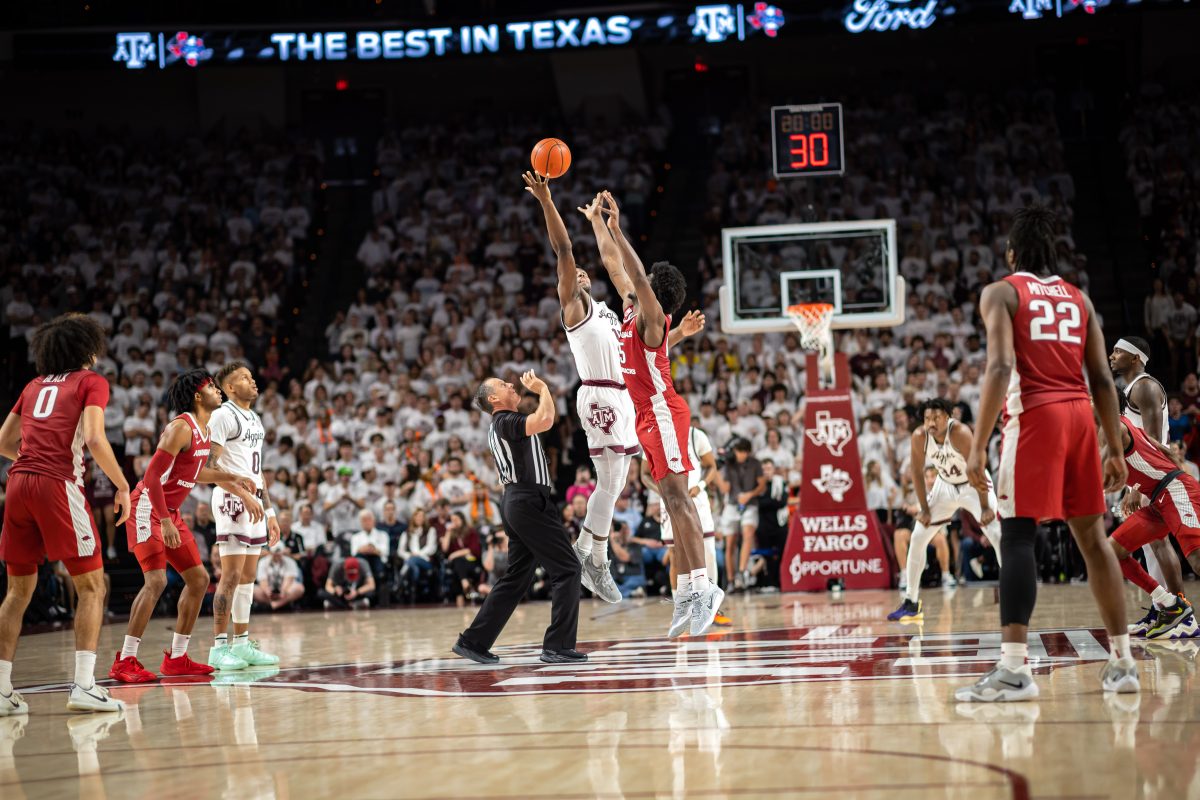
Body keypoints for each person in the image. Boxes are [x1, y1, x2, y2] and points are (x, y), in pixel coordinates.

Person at [960, 205, 1137, 702]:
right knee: (1093, 538)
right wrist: (1114, 447)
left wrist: (977, 446)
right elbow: (1102, 378)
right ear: (1053, 255)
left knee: (1017, 532)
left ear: (1011, 253)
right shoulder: (1080, 299)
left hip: (1036, 417)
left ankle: (1014, 670)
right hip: (1082, 416)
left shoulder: (1001, 291)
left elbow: (999, 368)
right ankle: (1122, 663)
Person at [600, 190, 724, 637]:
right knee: (671, 504)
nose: (637, 282)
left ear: (654, 290)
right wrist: (598, 222)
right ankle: (689, 589)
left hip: (663, 412)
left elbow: (630, 268)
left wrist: (617, 227)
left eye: (646, 281)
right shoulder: (636, 311)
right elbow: (615, 268)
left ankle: (705, 586)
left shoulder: (652, 314)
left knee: (680, 499)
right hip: (646, 416)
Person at [0, 314, 130, 714]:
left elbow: (5, 441)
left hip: (17, 484)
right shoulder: (91, 381)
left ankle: (2, 691)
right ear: (87, 349)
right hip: (57, 485)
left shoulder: (33, 384)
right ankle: (84, 686)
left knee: (17, 594)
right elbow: (93, 437)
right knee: (92, 587)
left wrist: (32, 463)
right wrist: (123, 485)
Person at [110, 370, 258, 683]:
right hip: (147, 507)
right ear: (196, 395)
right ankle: (125, 659)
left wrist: (231, 478)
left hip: (169, 510)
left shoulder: (204, 429)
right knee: (156, 582)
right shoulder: (181, 426)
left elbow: (194, 473)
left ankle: (177, 657)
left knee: (199, 579)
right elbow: (151, 477)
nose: (218, 391)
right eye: (211, 387)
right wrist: (164, 520)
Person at [453, 371, 584, 665]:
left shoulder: (502, 425)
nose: (511, 384)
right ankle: (557, 646)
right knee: (567, 569)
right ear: (494, 399)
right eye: (503, 385)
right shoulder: (506, 421)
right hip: (526, 500)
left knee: (517, 577)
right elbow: (546, 420)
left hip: (515, 502)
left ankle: (473, 641)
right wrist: (543, 389)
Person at [888, 398, 1002, 622]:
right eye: (927, 418)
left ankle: (1012, 593)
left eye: (936, 418)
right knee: (918, 537)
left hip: (972, 484)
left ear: (948, 417)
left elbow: (978, 467)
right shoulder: (919, 436)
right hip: (944, 486)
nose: (931, 423)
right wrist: (925, 509)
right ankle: (911, 603)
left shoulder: (960, 432)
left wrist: (986, 506)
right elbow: (917, 474)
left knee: (997, 535)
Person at [1100, 399, 1197, 640]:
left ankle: (1181, 615)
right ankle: (1171, 605)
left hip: (1173, 490)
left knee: (1197, 560)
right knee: (1112, 551)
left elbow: (1100, 474)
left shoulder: (1114, 428)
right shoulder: (1127, 426)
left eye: (1091, 397)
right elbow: (1164, 449)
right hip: (1158, 499)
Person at [207, 362, 281, 671]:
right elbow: (209, 468)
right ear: (229, 388)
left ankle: (242, 643)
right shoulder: (223, 415)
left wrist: (269, 510)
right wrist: (243, 493)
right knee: (231, 576)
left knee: (249, 577)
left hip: (253, 502)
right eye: (243, 378)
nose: (252, 381)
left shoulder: (255, 418)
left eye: (252, 376)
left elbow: (257, 469)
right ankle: (219, 648)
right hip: (231, 500)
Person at [1108, 336, 1187, 615]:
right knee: (1151, 545)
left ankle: (1178, 609)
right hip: (1144, 474)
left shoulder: (1145, 387)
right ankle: (1163, 607)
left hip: (1155, 474)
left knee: (1159, 542)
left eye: (1119, 351)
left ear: (1136, 358)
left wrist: (1135, 488)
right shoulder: (1132, 388)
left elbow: (1153, 439)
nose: (1112, 355)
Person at [641, 425, 730, 624]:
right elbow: (644, 474)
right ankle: (681, 608)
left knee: (708, 551)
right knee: (675, 554)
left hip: (696, 500)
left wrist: (702, 485)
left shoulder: (695, 434)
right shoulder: (652, 436)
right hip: (670, 502)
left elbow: (711, 466)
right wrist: (662, 491)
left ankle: (711, 607)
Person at [718, 439, 766, 591]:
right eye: (738, 451)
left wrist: (750, 494)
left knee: (747, 533)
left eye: (743, 451)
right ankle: (731, 579)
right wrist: (716, 471)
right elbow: (725, 488)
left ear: (748, 452)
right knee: (730, 542)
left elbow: (762, 484)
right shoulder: (729, 464)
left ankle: (742, 571)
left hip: (750, 503)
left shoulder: (755, 463)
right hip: (732, 504)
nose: (741, 454)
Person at [254, 544, 306, 611]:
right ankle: (274, 604)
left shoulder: (290, 561)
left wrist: (283, 591)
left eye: (278, 554)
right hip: (268, 592)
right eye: (274, 554)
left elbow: (289, 580)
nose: (276, 556)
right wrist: (267, 591)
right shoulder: (263, 562)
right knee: (253, 590)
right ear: (271, 553)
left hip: (285, 591)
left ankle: (276, 604)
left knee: (299, 588)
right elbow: (262, 580)